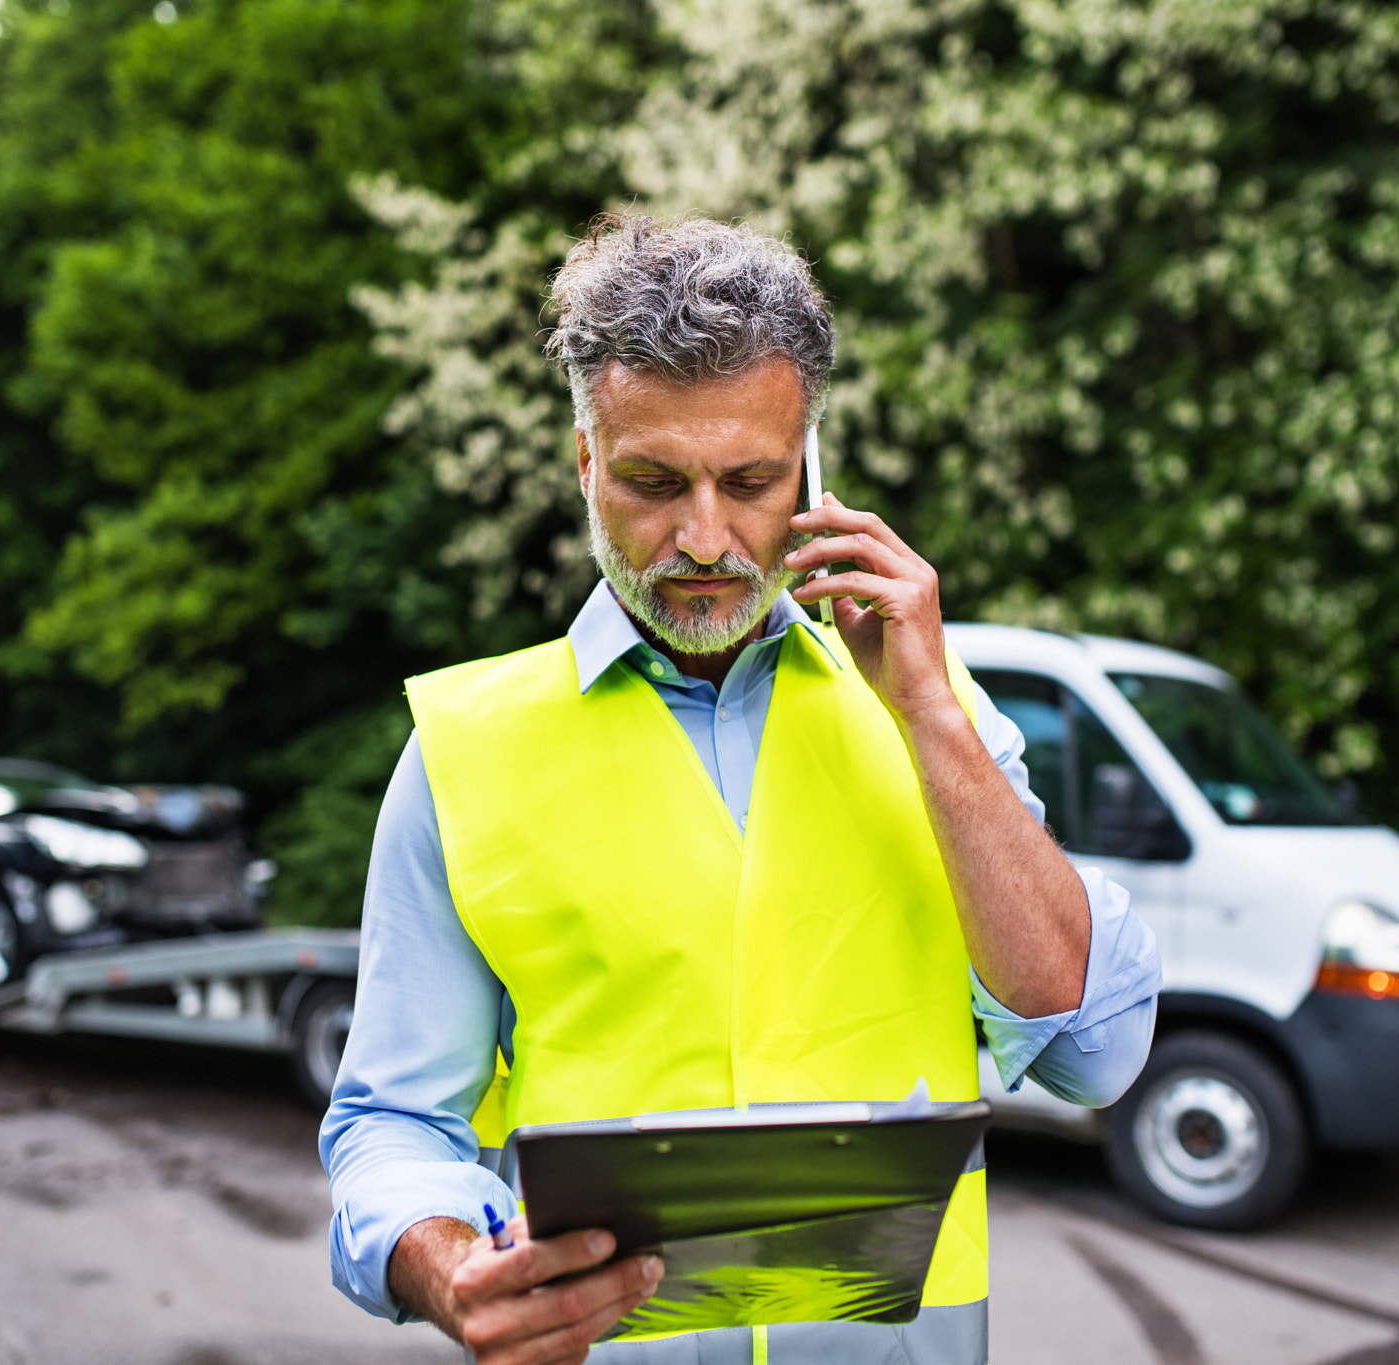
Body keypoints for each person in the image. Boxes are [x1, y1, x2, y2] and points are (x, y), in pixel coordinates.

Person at [320, 213, 1161, 1365]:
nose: (705, 538)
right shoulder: (461, 751)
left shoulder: (934, 713)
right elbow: (389, 1125)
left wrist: (926, 715)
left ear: (810, 470)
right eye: (652, 481)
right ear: (584, 464)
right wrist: (448, 1264)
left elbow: (1092, 1056)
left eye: (750, 480)